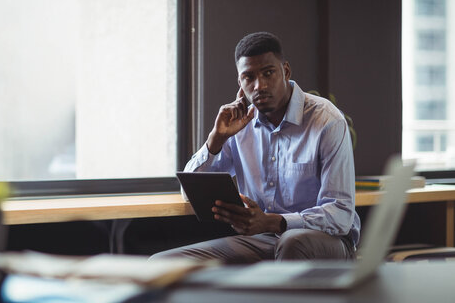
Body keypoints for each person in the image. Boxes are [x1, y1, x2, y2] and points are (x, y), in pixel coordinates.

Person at [152, 31, 360, 263]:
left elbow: (340, 214)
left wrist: (273, 221)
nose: (259, 85)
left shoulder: (327, 121)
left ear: (286, 71)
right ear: (240, 84)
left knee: (292, 242)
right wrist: (216, 139)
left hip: (326, 241)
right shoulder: (239, 126)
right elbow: (189, 192)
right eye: (249, 77)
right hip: (264, 238)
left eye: (268, 73)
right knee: (162, 264)